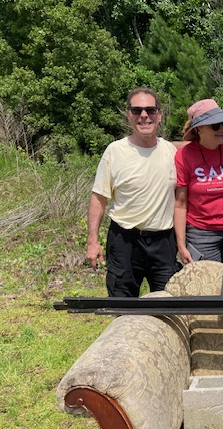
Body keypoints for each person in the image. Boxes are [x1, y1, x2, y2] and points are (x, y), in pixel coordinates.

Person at [86, 87, 179, 297]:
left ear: (159, 115)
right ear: (128, 114)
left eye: (150, 110)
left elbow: (202, 143)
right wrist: (92, 241)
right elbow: (98, 198)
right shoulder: (115, 151)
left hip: (164, 241)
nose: (144, 116)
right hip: (125, 240)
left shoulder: (171, 151)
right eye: (137, 111)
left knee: (168, 304)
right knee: (122, 304)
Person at [174, 99, 223, 264]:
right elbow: (180, 204)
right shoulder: (184, 156)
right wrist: (181, 244)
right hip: (201, 233)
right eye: (215, 126)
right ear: (199, 129)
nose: (222, 129)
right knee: (208, 280)